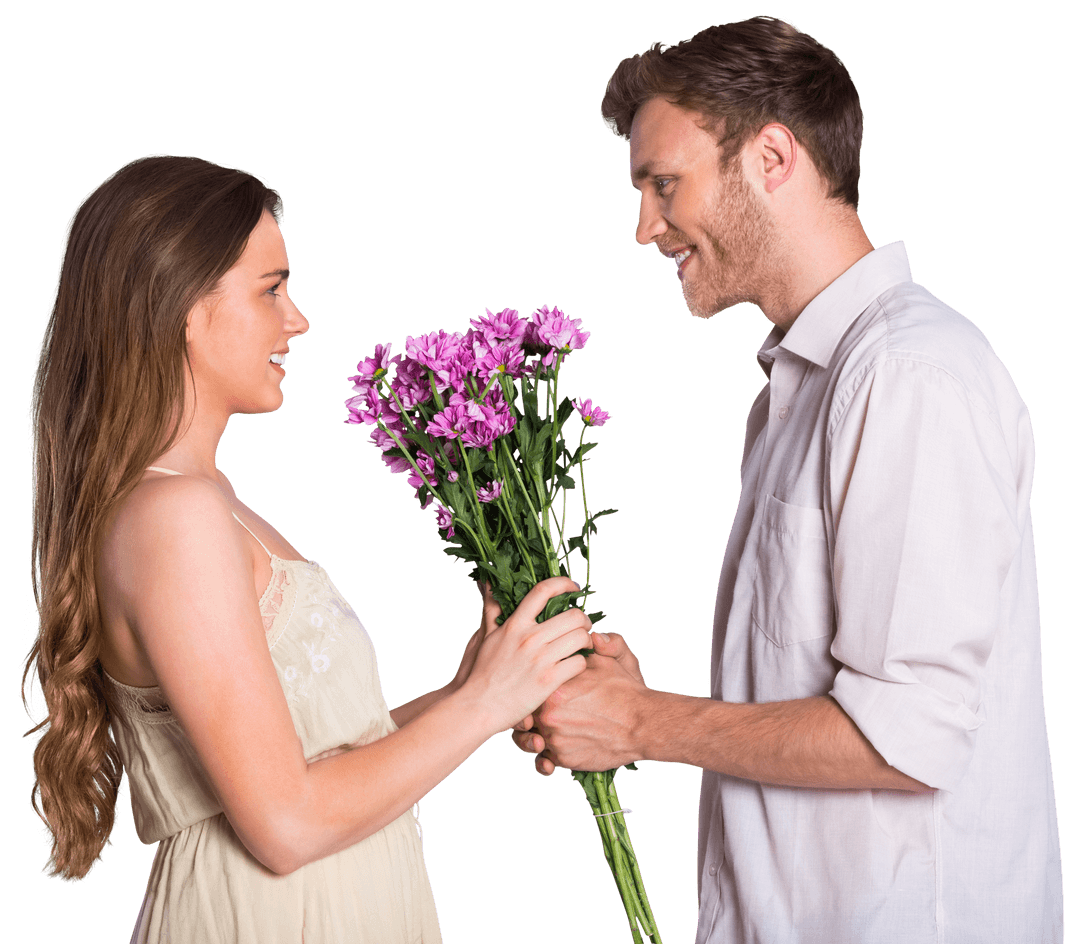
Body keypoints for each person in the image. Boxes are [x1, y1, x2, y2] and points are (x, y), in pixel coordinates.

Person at [512, 16, 1063, 943]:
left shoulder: (907, 376)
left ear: (771, 157)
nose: (645, 227)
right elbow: (821, 692)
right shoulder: (801, 390)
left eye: (664, 184)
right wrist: (632, 708)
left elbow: (905, 735)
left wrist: (645, 723)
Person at [23, 154, 593, 943]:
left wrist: (475, 691)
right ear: (185, 306)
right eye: (272, 289)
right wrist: (479, 704)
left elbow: (306, 760)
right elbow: (285, 824)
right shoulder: (174, 515)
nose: (298, 319)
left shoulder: (207, 502)